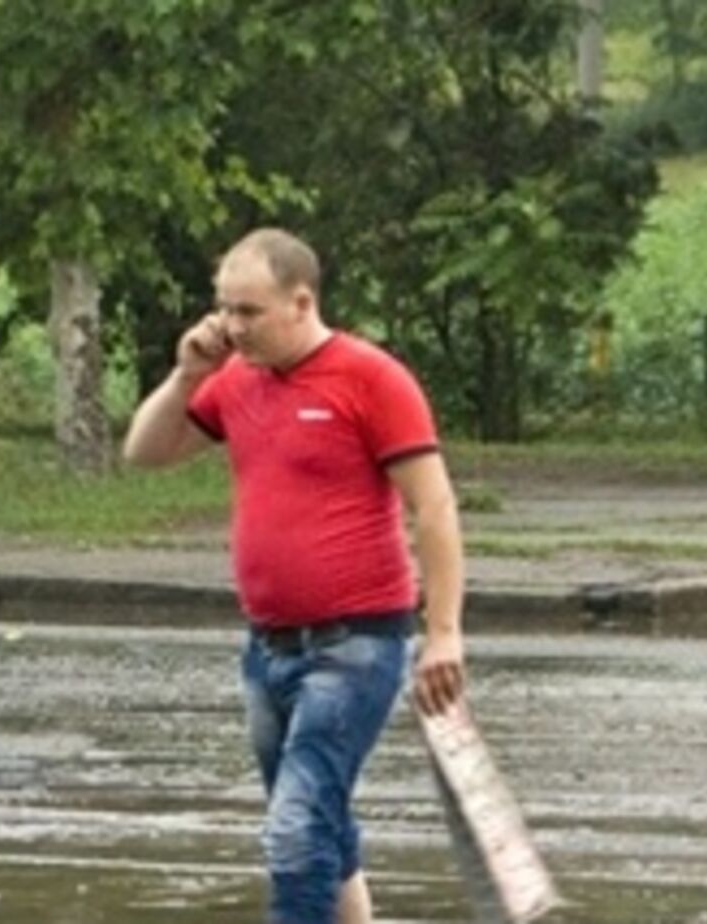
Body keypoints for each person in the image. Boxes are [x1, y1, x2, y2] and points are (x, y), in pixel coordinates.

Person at [121, 228, 466, 924]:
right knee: (316, 817)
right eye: (224, 309)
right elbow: (144, 453)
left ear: (301, 302)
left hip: (356, 642)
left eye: (249, 312)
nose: (231, 327)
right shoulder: (236, 381)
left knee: (295, 825)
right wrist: (187, 374)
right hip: (270, 646)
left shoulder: (371, 379)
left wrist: (444, 634)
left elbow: (433, 507)